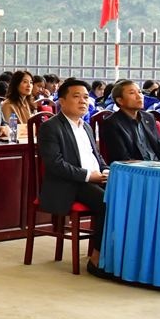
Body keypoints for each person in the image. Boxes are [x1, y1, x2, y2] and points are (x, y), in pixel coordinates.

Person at [38, 79, 109, 273]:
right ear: (61, 101)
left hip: (93, 179)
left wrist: (105, 171)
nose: (83, 102)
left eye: (86, 97)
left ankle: (115, 254)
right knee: (107, 202)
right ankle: (96, 259)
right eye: (76, 97)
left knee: (126, 198)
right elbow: (55, 164)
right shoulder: (51, 127)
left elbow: (97, 156)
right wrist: (88, 176)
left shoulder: (85, 126)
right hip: (68, 184)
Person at [100, 79, 160, 163]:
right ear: (120, 100)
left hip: (158, 166)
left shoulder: (149, 117)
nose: (139, 96)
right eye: (132, 93)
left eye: (140, 92)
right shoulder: (112, 123)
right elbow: (122, 157)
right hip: (135, 170)